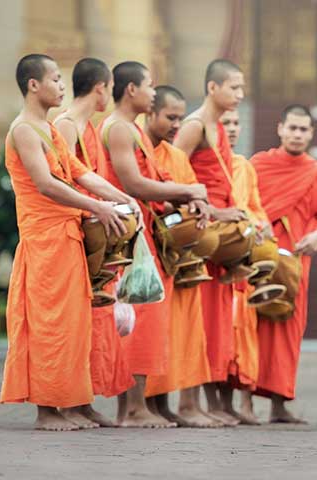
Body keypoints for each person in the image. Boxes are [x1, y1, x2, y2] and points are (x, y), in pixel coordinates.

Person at [0, 54, 138, 431]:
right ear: (33, 85)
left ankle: (74, 402)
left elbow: (81, 174)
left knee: (75, 324)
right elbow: (46, 184)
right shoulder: (24, 130)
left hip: (68, 235)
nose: (62, 86)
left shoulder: (49, 129)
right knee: (50, 324)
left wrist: (124, 200)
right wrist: (97, 206)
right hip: (44, 240)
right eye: (56, 79)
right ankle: (47, 410)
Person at [99, 61, 206, 428]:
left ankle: (136, 406)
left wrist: (183, 202)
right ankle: (131, 410)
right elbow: (133, 184)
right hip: (128, 241)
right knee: (136, 320)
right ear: (131, 90)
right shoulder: (117, 129)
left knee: (144, 321)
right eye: (149, 86)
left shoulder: (132, 131)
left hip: (143, 237)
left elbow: (151, 185)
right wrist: (187, 189)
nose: (152, 92)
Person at [52, 57, 134, 428]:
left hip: (93, 229)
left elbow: (89, 177)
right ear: (101, 87)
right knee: (71, 324)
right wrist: (98, 209)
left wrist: (123, 202)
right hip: (70, 232)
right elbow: (61, 182)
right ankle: (66, 403)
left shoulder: (90, 127)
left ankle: (83, 401)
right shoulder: (65, 126)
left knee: (93, 323)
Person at [173, 59, 248, 427]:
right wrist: (215, 214)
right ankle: (187, 404)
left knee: (212, 326)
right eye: (234, 87)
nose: (240, 94)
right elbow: (171, 176)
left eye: (242, 87)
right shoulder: (193, 126)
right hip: (198, 234)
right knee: (194, 322)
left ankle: (199, 402)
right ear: (212, 88)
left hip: (218, 239)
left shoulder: (217, 128)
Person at [143, 85, 222, 428]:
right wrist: (180, 200)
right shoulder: (140, 148)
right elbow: (138, 190)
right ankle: (153, 405)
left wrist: (199, 207)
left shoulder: (175, 156)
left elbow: (193, 188)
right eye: (171, 117)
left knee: (188, 331)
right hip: (151, 251)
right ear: (150, 113)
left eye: (180, 117)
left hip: (182, 257)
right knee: (153, 329)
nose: (177, 124)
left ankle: (182, 405)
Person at [251, 105, 317, 424]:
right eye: (292, 128)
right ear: (280, 128)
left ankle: (278, 403)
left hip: (296, 261)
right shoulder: (259, 165)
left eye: (304, 129)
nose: (298, 134)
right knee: (253, 324)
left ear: (311, 133)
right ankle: (244, 402)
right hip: (260, 256)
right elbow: (245, 203)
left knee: (289, 328)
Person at [221, 108, 269, 425]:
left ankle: (246, 404)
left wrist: (261, 224)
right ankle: (222, 404)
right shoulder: (204, 162)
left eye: (237, 123)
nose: (233, 129)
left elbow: (255, 206)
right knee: (222, 334)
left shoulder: (244, 167)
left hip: (245, 260)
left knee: (248, 334)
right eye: (226, 123)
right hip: (220, 260)